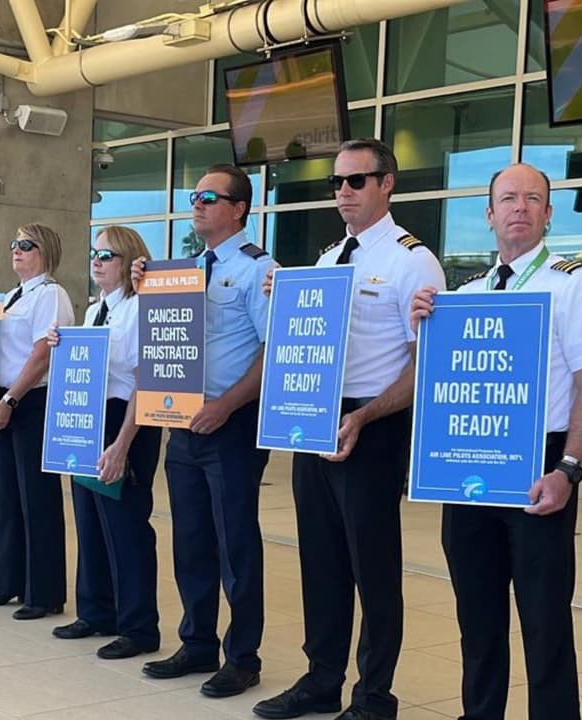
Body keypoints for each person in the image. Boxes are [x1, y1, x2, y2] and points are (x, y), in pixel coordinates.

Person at [409, 163, 582, 720]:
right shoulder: (467, 293)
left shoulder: (575, 285)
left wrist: (570, 468)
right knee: (475, 614)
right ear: (490, 214)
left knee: (544, 617)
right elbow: (445, 384)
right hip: (470, 469)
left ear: (549, 213)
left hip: (541, 465)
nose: (519, 207)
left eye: (533, 199)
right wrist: (424, 329)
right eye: (508, 198)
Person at [254, 139, 444, 720]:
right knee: (322, 560)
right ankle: (321, 679)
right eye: (336, 182)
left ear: (387, 184)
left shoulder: (412, 259)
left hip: (372, 424)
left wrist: (363, 416)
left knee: (373, 568)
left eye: (356, 181)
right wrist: (281, 300)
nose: (343, 191)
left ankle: (374, 695)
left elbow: (426, 361)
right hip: (315, 418)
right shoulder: (330, 257)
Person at [135, 164, 274, 699]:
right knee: (190, 537)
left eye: (209, 197)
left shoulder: (258, 268)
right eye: (194, 196)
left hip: (231, 422)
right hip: (182, 420)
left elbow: (270, 349)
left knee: (234, 542)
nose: (197, 204)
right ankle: (196, 642)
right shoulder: (185, 270)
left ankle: (243, 657)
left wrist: (228, 404)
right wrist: (141, 288)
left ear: (238, 208)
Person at [50, 225, 163, 659]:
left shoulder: (139, 309)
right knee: (90, 521)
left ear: (130, 260)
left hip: (124, 419)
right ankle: (97, 611)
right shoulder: (97, 308)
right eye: (94, 255)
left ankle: (138, 627)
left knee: (126, 526)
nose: (97, 262)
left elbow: (143, 380)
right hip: (88, 418)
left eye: (108, 256)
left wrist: (121, 444)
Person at [0, 223, 74, 619]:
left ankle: (43, 592)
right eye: (13, 244)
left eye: (25, 245)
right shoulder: (14, 294)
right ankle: (9, 582)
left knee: (36, 499)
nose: (16, 251)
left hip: (30, 400)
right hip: (5, 399)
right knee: (8, 496)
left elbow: (42, 355)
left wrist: (12, 400)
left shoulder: (51, 294)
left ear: (45, 251)